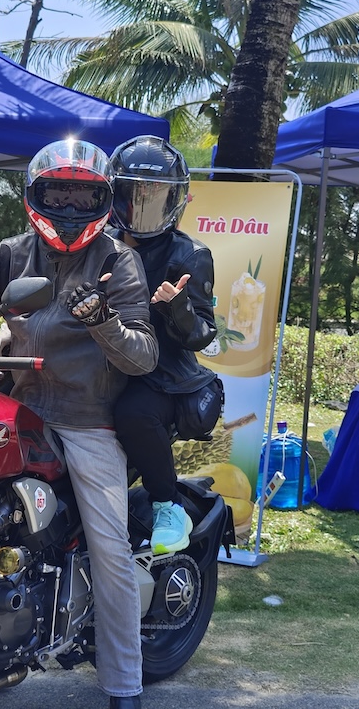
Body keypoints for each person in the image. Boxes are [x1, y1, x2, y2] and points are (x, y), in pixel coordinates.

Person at [0, 139, 158, 709]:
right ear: (36, 196)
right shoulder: (13, 253)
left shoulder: (118, 261)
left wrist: (103, 321)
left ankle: (123, 682)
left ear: (103, 201)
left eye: (82, 196)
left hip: (84, 419)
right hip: (15, 405)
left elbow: (143, 355)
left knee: (110, 548)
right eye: (59, 194)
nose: (69, 207)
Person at [109, 136, 223, 555]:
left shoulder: (190, 255)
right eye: (133, 194)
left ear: (174, 200)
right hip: (98, 361)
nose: (143, 205)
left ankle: (167, 505)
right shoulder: (99, 240)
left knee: (133, 413)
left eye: (154, 196)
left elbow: (204, 334)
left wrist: (177, 308)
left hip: (160, 374)